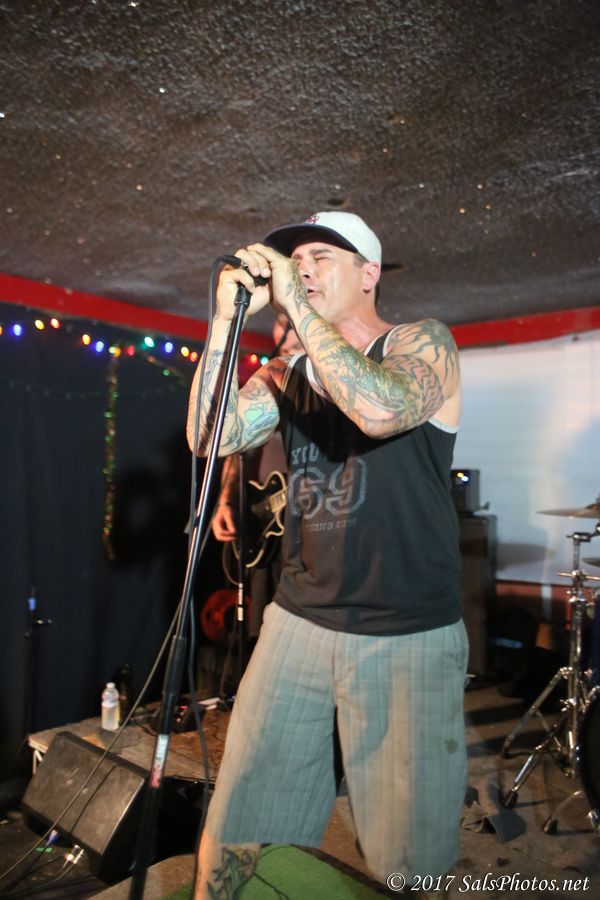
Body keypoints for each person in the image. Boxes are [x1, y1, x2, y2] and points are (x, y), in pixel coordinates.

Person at [187, 211, 468, 898]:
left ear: (369, 274)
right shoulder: (287, 371)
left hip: (404, 631)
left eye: (321, 257)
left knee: (407, 854)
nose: (303, 269)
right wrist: (223, 324)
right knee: (243, 813)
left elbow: (380, 409)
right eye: (297, 260)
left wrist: (296, 309)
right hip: (299, 620)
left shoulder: (423, 341)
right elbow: (209, 435)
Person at [211, 317, 302, 644]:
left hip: (309, 529)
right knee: (263, 629)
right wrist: (224, 501)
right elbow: (237, 450)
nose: (284, 329)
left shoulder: (329, 384)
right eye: (280, 321)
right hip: (265, 521)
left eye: (293, 345)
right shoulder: (269, 383)